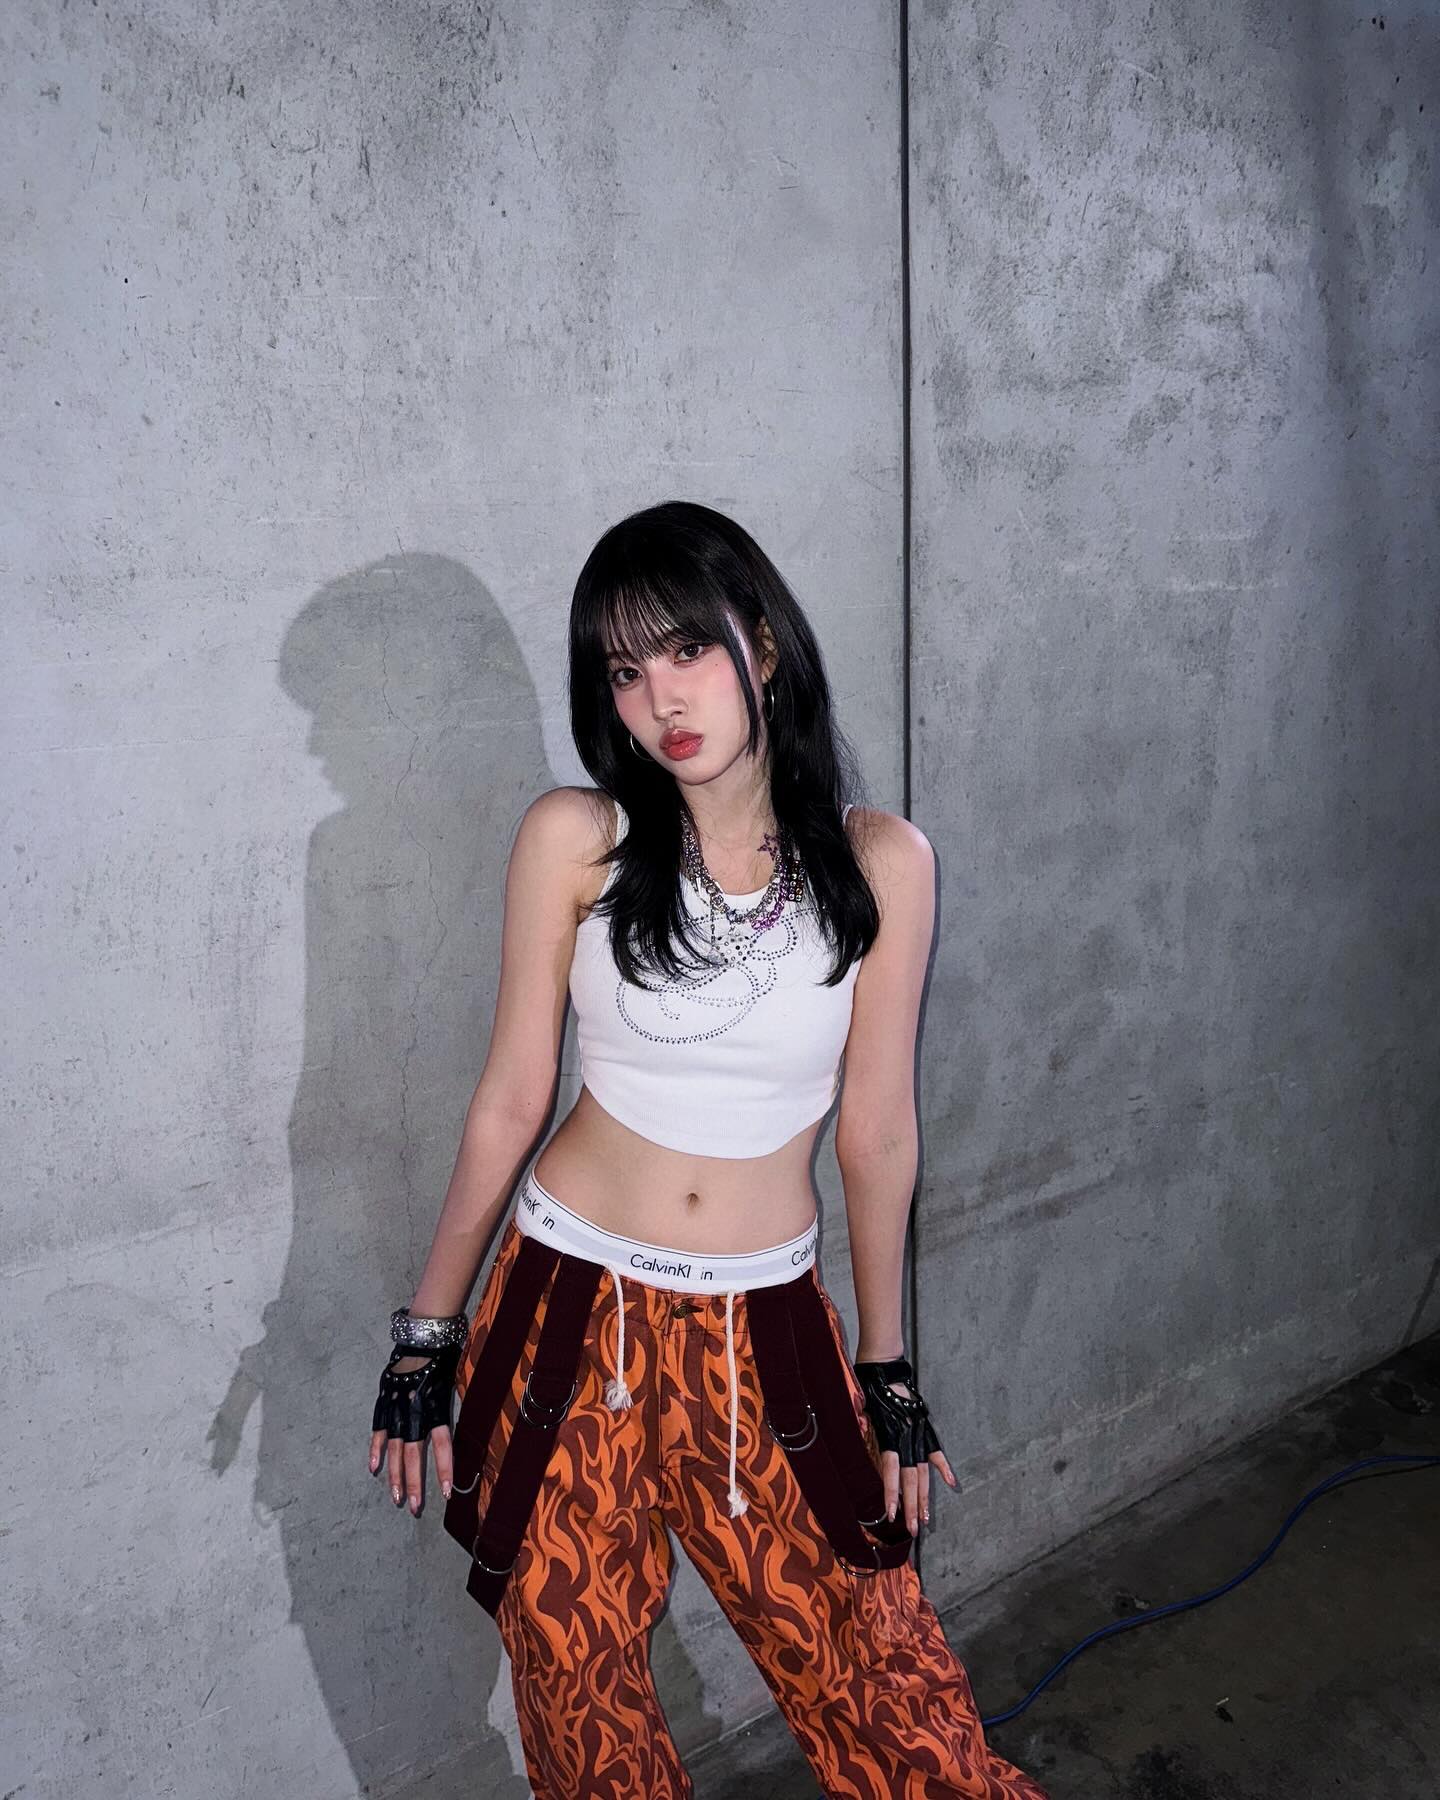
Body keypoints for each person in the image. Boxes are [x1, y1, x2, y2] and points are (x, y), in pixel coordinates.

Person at [368, 501, 1052, 1799]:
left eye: (687, 649)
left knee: (880, 1683)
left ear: (765, 647)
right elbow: (511, 1097)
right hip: (564, 1309)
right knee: (578, 1697)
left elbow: (878, 1131)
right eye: (624, 670)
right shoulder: (578, 838)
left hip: (761, 1330)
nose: (660, 698)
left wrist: (887, 1369)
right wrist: (428, 1333)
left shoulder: (882, 862)